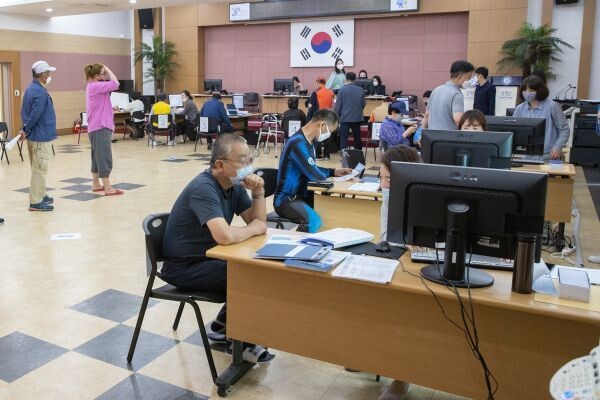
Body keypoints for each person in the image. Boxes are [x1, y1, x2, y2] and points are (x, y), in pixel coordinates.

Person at [161, 134, 274, 363]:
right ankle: (239, 342)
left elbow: (258, 221)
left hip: (208, 258)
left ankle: (224, 324)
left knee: (259, 267)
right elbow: (225, 236)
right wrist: (253, 228)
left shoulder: (233, 186)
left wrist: (258, 193)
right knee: (249, 275)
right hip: (184, 267)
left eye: (250, 160)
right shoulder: (204, 187)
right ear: (220, 165)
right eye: (242, 161)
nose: (248, 167)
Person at [377, 144, 422, 400]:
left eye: (389, 179)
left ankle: (401, 376)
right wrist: (404, 241)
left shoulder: (427, 194)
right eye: (382, 178)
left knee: (407, 313)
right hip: (395, 259)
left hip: (422, 265)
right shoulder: (388, 195)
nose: (383, 184)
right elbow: (385, 234)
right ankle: (367, 356)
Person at [274, 109, 352, 232]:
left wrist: (333, 172)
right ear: (322, 125)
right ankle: (299, 242)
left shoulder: (309, 142)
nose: (329, 135)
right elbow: (316, 175)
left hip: (302, 196)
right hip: (287, 200)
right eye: (330, 132)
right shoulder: (298, 143)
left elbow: (312, 169)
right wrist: (330, 173)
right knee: (314, 221)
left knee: (330, 213)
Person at [18, 60, 57, 211]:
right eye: (48, 73)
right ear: (42, 75)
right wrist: (25, 128)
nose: (49, 76)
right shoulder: (40, 91)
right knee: (40, 169)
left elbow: (24, 113)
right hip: (41, 136)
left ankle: (41, 194)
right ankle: (35, 202)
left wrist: (25, 129)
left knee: (37, 167)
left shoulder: (30, 89)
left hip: (34, 136)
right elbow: (35, 114)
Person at [84, 63, 123, 196]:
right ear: (96, 76)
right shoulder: (96, 86)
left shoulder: (92, 86)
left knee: (96, 157)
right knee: (104, 156)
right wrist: (108, 68)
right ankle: (108, 188)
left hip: (95, 127)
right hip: (100, 127)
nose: (105, 75)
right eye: (103, 74)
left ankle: (96, 184)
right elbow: (116, 84)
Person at [513, 75, 570, 160]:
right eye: (524, 90)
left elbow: (564, 130)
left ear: (539, 91)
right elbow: (514, 130)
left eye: (531, 91)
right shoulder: (519, 108)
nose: (527, 93)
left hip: (548, 155)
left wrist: (558, 147)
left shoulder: (553, 106)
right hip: (525, 155)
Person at [423, 60, 474, 130]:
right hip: (448, 135)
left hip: (432, 135)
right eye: (469, 77)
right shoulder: (457, 94)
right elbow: (458, 119)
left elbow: (426, 115)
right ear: (460, 77)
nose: (471, 80)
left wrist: (422, 132)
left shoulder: (436, 90)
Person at [335, 72, 366, 150]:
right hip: (356, 118)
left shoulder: (341, 90)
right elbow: (363, 104)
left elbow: (338, 106)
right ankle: (358, 154)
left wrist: (337, 117)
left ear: (346, 78)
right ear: (355, 79)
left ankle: (344, 154)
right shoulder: (360, 89)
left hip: (344, 118)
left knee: (343, 138)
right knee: (357, 137)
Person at [306, 77, 335, 159]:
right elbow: (334, 102)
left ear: (318, 83)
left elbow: (310, 105)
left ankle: (318, 154)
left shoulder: (316, 92)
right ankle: (327, 155)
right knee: (327, 135)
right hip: (328, 116)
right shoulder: (330, 92)